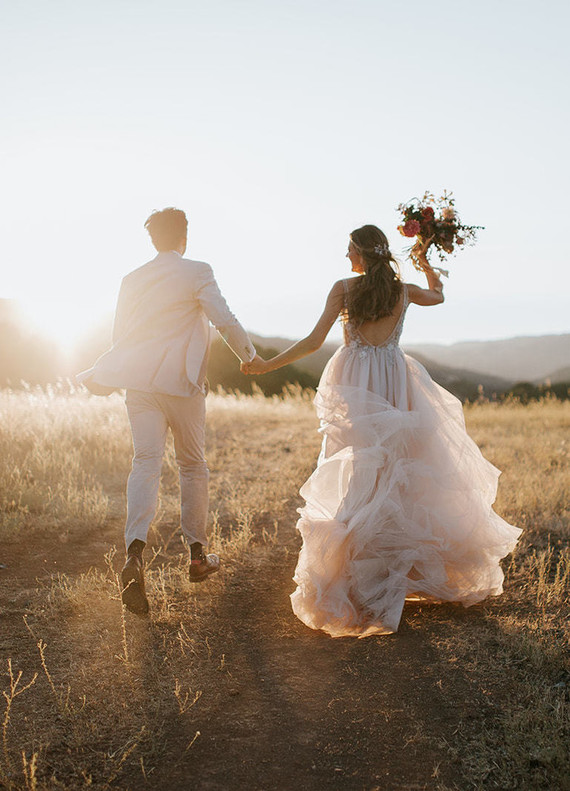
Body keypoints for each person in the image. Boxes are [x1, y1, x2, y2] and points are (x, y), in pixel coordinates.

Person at [242, 224, 521, 638]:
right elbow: (439, 296)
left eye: (348, 250)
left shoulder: (343, 288)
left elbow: (312, 340)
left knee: (359, 470)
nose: (346, 258)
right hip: (393, 379)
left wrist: (266, 365)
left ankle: (361, 573)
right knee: (396, 470)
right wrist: (426, 266)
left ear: (359, 253)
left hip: (355, 382)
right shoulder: (403, 290)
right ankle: (388, 569)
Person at [78, 208, 261, 615]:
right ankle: (197, 556)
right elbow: (224, 319)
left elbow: (118, 337)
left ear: (153, 239)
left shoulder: (132, 278)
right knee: (192, 465)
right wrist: (249, 357)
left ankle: (134, 554)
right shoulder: (197, 270)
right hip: (181, 385)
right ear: (184, 237)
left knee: (144, 462)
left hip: (138, 385)